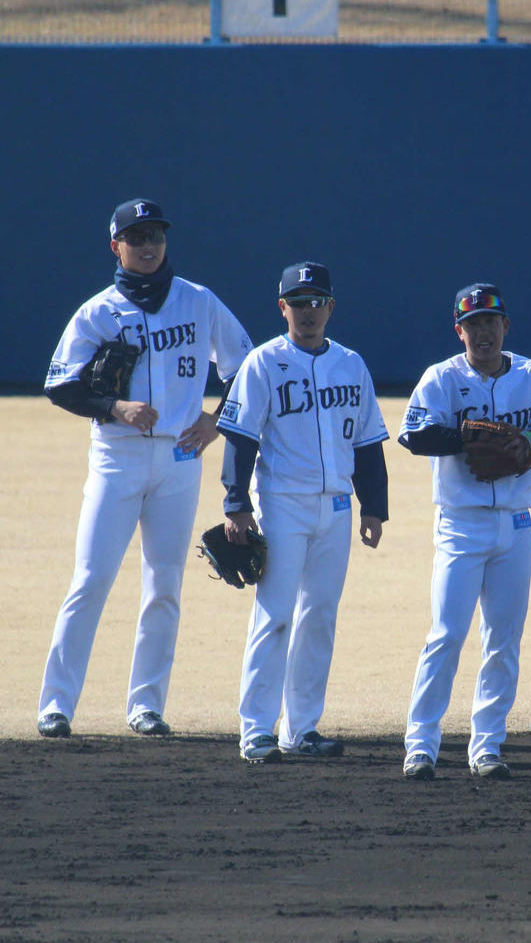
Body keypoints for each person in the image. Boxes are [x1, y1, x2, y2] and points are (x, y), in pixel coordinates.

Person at [38, 198, 252, 739]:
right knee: (91, 578)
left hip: (180, 458)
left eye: (156, 234)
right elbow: (59, 384)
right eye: (137, 237)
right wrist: (115, 407)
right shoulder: (98, 311)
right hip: (118, 455)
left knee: (164, 584)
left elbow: (246, 370)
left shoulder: (199, 302)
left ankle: (146, 706)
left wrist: (217, 421)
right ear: (117, 247)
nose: (149, 244)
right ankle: (55, 705)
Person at [398, 284, 531, 781]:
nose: (483, 331)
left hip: (516, 525)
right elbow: (413, 435)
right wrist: (467, 436)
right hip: (459, 525)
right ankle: (421, 745)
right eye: (473, 323)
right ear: (460, 331)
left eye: (491, 322)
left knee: (504, 639)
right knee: (447, 635)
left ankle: (488, 745)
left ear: (506, 327)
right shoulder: (441, 378)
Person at [217, 262, 389, 764]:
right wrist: (236, 503)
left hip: (336, 506)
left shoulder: (351, 365)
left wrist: (373, 507)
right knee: (274, 615)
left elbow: (368, 442)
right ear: (282, 307)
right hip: (280, 506)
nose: (308, 311)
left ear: (331, 307)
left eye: (317, 301)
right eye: (299, 301)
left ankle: (302, 728)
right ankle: (256, 730)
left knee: (319, 618)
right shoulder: (263, 363)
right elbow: (241, 437)